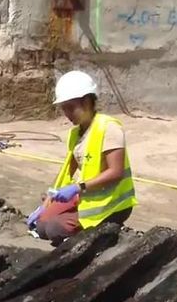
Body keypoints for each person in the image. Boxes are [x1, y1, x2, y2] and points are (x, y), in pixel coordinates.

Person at [26, 71, 137, 245]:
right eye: (64, 108)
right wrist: (48, 200)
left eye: (70, 107)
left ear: (86, 101)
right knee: (41, 226)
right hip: (85, 196)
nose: (67, 114)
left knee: (54, 229)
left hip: (111, 204)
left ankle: (99, 237)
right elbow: (67, 169)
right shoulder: (76, 133)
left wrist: (78, 187)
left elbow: (116, 172)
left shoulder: (109, 128)